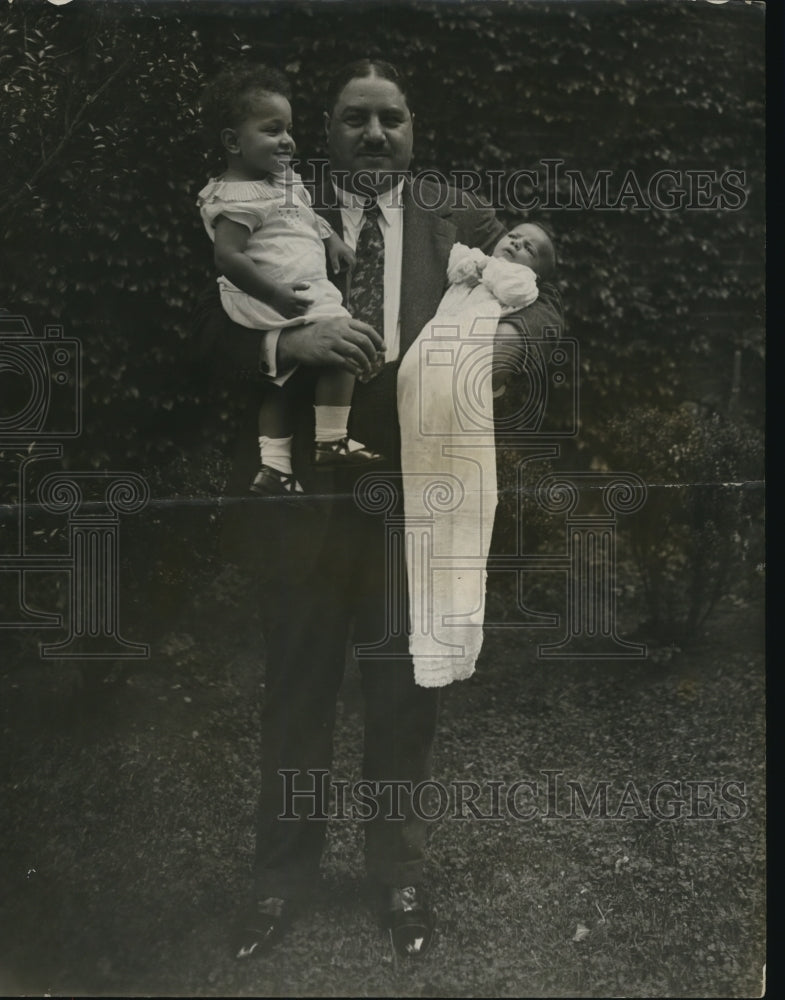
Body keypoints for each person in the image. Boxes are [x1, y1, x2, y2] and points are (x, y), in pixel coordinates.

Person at [194, 59, 563, 960]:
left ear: (412, 128)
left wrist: (505, 349)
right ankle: (279, 883)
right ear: (324, 130)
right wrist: (289, 338)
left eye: (390, 119)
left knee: (403, 697)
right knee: (296, 695)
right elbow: (204, 331)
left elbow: (549, 311)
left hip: (414, 499)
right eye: (355, 119)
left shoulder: (459, 216)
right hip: (305, 501)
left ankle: (398, 875)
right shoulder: (275, 202)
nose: (373, 135)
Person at [197, 65, 383, 497]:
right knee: (343, 343)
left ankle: (274, 467)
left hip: (289, 290)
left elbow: (303, 214)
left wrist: (332, 238)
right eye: (273, 130)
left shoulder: (280, 181)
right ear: (232, 142)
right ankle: (331, 439)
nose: (287, 140)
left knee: (282, 380)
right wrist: (277, 299)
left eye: (289, 129)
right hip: (277, 292)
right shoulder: (235, 197)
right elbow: (226, 256)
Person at [397, 224, 558, 688]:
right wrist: (476, 264)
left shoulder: (516, 282)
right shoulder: (468, 265)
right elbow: (454, 263)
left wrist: (487, 265)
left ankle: (448, 641)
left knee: (463, 499)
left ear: (538, 271)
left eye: (532, 250)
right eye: (515, 236)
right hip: (424, 361)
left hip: (462, 369)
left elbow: (512, 285)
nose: (518, 245)